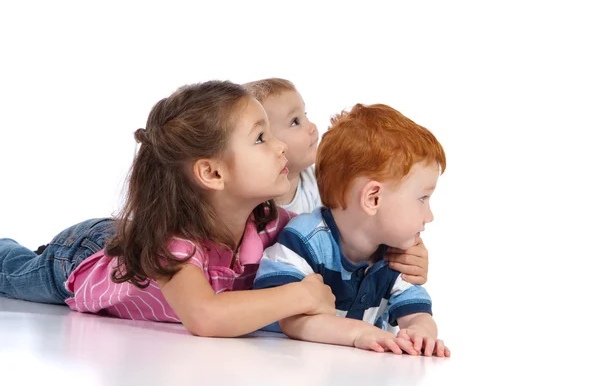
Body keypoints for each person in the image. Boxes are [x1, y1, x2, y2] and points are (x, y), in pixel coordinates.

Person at [0, 80, 336, 337]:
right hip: (84, 255)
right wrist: (299, 296)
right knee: (12, 272)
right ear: (212, 173)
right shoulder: (172, 244)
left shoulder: (270, 224)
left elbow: (340, 237)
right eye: (261, 138)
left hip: (129, 232)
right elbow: (206, 315)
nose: (280, 147)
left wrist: (388, 251)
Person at [254, 103, 451, 357]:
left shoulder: (396, 253)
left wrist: (421, 332)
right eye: (422, 198)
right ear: (373, 199)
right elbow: (292, 320)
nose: (430, 216)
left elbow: (416, 312)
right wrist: (359, 333)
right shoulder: (305, 240)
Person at [244, 78, 429, 285]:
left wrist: (410, 253)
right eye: (295, 122)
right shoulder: (249, 203)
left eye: (305, 116)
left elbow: (371, 222)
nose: (312, 127)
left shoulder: (322, 183)